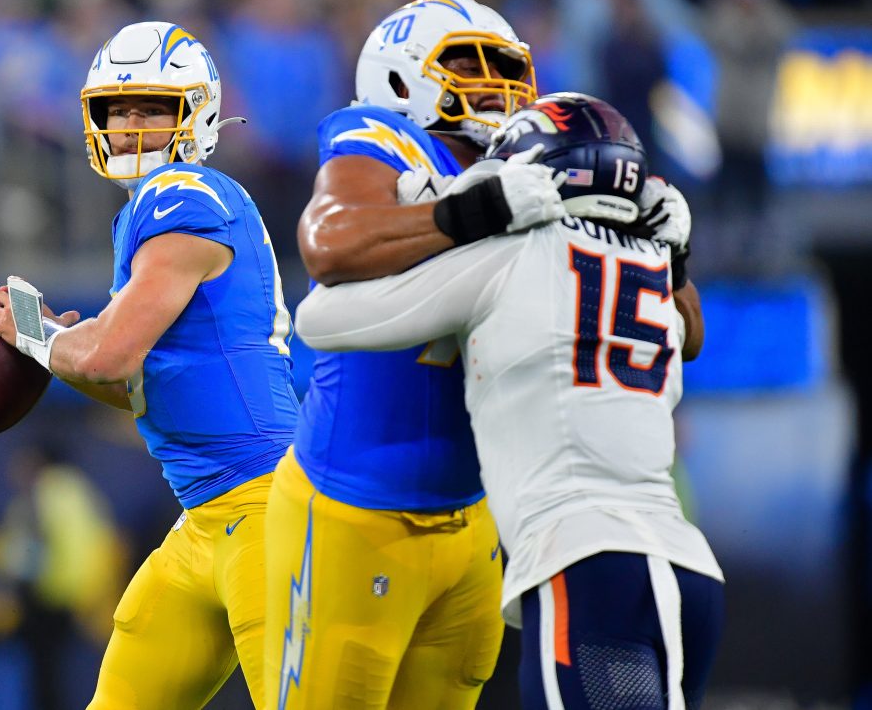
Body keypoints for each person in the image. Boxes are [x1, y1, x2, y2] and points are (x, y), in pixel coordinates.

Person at [295, 93, 724, 709]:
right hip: (689, 574)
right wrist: (673, 258)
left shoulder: (509, 254)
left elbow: (322, 319)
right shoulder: (660, 275)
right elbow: (690, 338)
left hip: (584, 560)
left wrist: (451, 215)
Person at [0, 21, 299, 709]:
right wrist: (60, 341)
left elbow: (113, 355)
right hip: (207, 516)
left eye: (152, 107)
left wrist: (34, 333)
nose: (130, 126)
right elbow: (140, 381)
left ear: (198, 112)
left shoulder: (181, 195)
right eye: (117, 111)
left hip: (267, 511)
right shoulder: (158, 211)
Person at [264, 0, 568, 710]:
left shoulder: (532, 163)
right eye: (466, 62)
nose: (492, 82)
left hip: (473, 522)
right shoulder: (385, 137)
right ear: (399, 77)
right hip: (354, 513)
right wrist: (476, 210)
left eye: (504, 66)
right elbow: (331, 241)